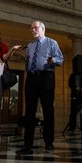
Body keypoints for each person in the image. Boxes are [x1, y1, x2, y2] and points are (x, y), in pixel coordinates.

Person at [17, 21, 63, 155]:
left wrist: (52, 60)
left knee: (48, 109)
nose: (33, 30)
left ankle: (49, 142)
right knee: (29, 111)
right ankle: (27, 144)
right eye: (31, 28)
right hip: (31, 78)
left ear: (43, 29)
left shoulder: (52, 42)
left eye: (35, 27)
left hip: (46, 77)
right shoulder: (30, 46)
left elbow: (60, 58)